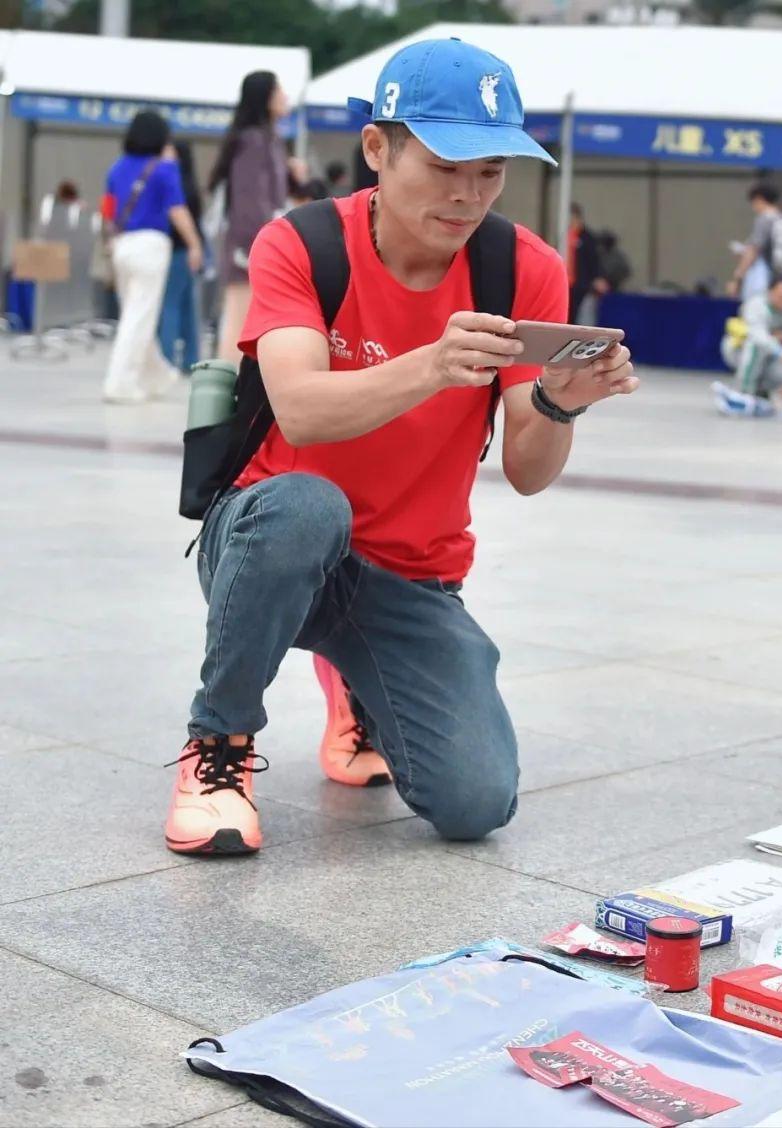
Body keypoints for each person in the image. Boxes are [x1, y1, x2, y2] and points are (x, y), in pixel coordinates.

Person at [164, 37, 638, 857]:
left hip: (413, 573)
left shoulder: (521, 267)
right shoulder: (302, 243)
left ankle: (358, 684)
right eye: (445, 166)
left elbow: (527, 473)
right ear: (377, 148)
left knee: (476, 801)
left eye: (490, 171)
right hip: (268, 541)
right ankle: (219, 746)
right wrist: (432, 365)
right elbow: (300, 411)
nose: (467, 195)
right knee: (307, 507)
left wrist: (559, 404)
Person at [101, 111, 202, 404]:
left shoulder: (117, 167)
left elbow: (108, 209)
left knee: (134, 314)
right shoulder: (165, 168)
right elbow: (177, 210)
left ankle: (157, 376)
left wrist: (109, 240)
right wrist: (194, 243)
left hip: (122, 245)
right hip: (151, 246)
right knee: (140, 317)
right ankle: (120, 383)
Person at [208, 70, 296, 366]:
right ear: (266, 97)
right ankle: (227, 380)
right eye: (278, 90)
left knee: (244, 315)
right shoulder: (254, 140)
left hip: (256, 238)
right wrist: (260, 242)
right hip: (249, 241)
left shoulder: (267, 138)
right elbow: (249, 198)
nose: (284, 96)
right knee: (240, 315)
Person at [712, 274, 782, 418]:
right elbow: (759, 336)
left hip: (775, 356)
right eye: (780, 295)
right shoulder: (756, 305)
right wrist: (779, 349)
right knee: (757, 346)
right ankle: (743, 393)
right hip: (739, 350)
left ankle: (761, 392)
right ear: (770, 292)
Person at [157, 141, 204, 373]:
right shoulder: (192, 184)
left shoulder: (173, 184)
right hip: (189, 251)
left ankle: (166, 359)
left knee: (170, 306)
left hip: (174, 250)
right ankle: (191, 359)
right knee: (188, 307)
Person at [726, 183, 782, 299]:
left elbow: (753, 251)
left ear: (759, 199)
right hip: (781, 279)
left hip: (764, 277)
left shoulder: (765, 219)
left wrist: (737, 279)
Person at [567, 202, 601, 321]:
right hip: (566, 283)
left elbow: (593, 258)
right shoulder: (565, 235)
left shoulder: (587, 237)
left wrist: (596, 277)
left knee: (580, 314)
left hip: (581, 284)